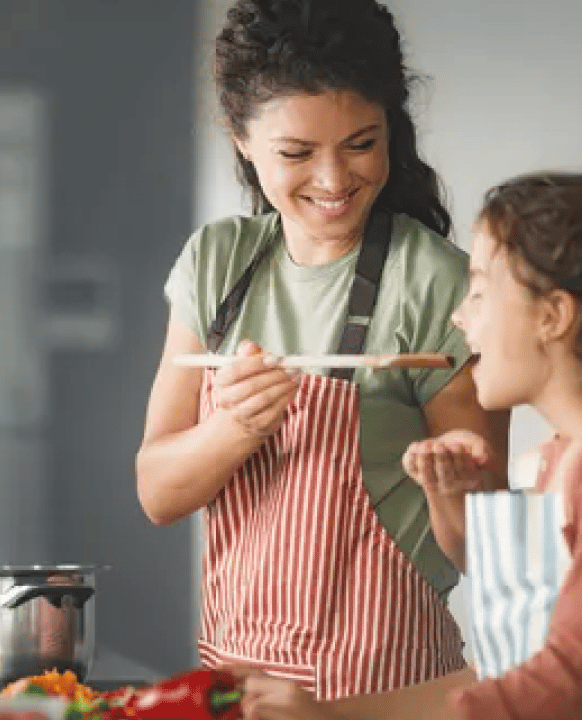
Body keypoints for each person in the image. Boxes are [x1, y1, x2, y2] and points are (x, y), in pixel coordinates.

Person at [134, 0, 510, 702]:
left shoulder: (438, 281)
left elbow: (485, 535)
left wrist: (456, 483)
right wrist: (232, 430)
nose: (334, 181)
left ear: (391, 128)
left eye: (361, 143)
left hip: (386, 691)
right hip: (235, 681)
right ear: (241, 139)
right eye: (297, 154)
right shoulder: (217, 264)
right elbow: (157, 491)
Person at [233, 173, 582, 719]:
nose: (460, 317)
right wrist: (332, 710)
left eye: (481, 292)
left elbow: (562, 685)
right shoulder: (560, 457)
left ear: (552, 315)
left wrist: (337, 719)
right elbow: (505, 666)